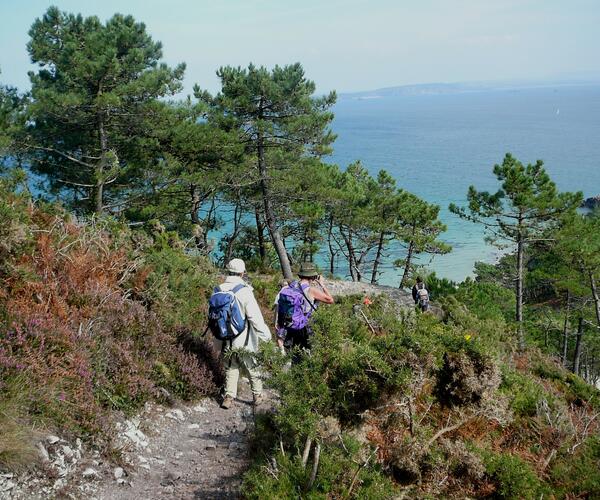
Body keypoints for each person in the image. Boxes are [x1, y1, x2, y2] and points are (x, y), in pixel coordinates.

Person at [215, 258, 272, 409]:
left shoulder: (218, 288)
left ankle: (228, 397)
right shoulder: (244, 291)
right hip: (243, 338)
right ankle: (257, 395)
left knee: (230, 365)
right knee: (251, 365)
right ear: (242, 273)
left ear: (228, 271)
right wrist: (266, 335)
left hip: (223, 336)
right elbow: (255, 317)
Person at [275, 262, 334, 360]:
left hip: (290, 325)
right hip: (305, 327)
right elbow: (330, 300)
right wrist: (322, 285)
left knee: (294, 354)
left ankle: (293, 371)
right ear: (313, 277)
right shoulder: (311, 290)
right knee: (308, 354)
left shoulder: (292, 286)